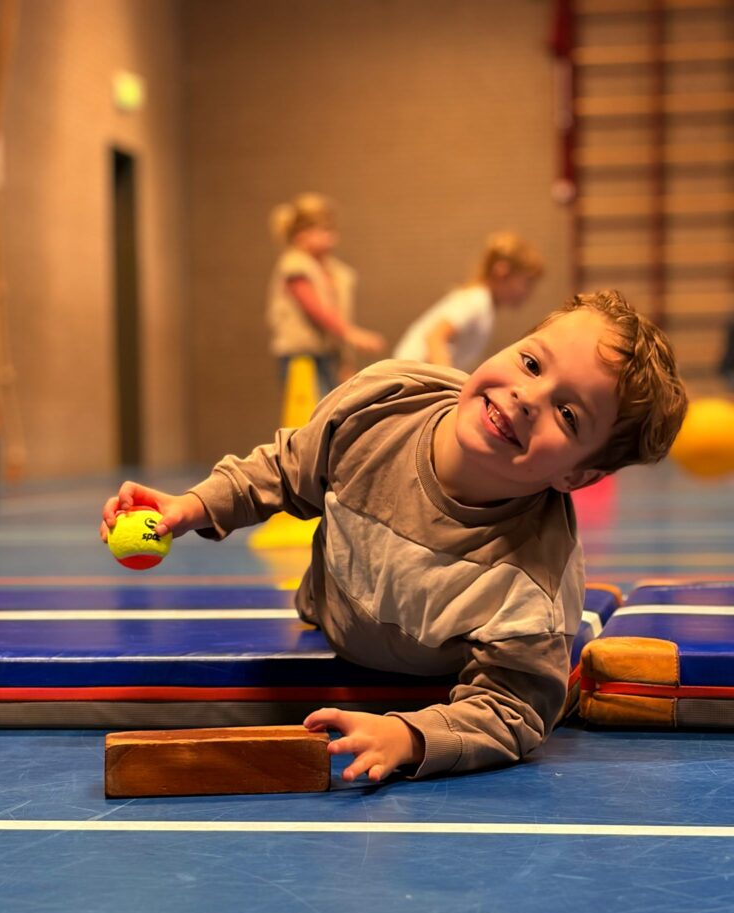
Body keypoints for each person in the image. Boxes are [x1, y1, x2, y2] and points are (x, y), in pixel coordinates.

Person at [100, 290, 687, 785]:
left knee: (534, 653)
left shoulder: (531, 583)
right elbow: (285, 467)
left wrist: (410, 734)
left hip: (428, 666)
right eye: (532, 364)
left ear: (576, 476)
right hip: (331, 611)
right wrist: (192, 506)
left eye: (568, 414)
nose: (529, 398)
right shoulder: (383, 403)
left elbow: (514, 710)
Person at [266, 192, 385, 398]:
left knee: (335, 407)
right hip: (302, 357)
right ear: (302, 234)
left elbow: (339, 314)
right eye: (323, 230)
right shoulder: (295, 266)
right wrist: (350, 332)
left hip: (328, 355)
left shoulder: (336, 272)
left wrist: (345, 361)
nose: (331, 236)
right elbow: (315, 308)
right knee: (311, 413)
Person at [393, 231, 544, 372]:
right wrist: (449, 385)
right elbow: (435, 336)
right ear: (502, 272)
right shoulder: (477, 300)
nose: (528, 292)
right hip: (408, 374)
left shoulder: (484, 305)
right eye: (527, 282)